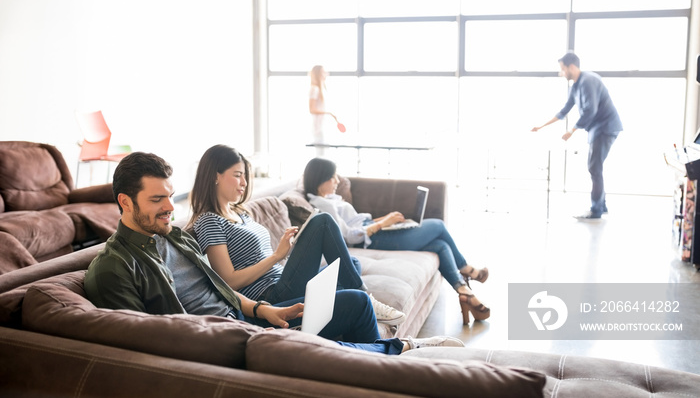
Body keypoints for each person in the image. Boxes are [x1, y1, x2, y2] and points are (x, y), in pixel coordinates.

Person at [84, 152, 460, 355]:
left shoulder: (176, 237)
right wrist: (249, 325)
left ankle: (377, 359)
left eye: (170, 195)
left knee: (358, 304)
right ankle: (398, 351)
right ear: (124, 202)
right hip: (226, 338)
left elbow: (224, 290)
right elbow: (140, 343)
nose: (169, 207)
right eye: (157, 199)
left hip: (251, 315)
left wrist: (264, 310)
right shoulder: (114, 268)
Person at [187, 144, 406, 326]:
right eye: (237, 176)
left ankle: (338, 294)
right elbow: (229, 282)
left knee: (352, 264)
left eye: (245, 176)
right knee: (322, 222)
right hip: (270, 295)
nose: (244, 183)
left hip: (281, 279)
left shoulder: (240, 212)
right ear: (216, 176)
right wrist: (276, 256)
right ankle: (365, 297)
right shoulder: (209, 221)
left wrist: (286, 256)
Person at [302, 157, 491, 325]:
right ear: (320, 178)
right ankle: (466, 269)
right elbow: (348, 236)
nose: (337, 181)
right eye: (333, 177)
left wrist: (384, 220)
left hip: (375, 230)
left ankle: (464, 290)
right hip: (372, 239)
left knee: (440, 245)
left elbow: (355, 221)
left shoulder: (330, 198)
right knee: (438, 226)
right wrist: (383, 223)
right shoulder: (323, 205)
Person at [531, 52, 623, 221]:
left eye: (563, 69)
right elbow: (565, 110)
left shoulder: (589, 81)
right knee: (595, 167)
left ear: (571, 67)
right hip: (597, 128)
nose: (561, 73)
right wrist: (542, 126)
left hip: (605, 127)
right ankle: (601, 205)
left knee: (594, 167)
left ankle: (596, 210)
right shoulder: (575, 86)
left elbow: (591, 110)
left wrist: (572, 130)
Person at [308, 65, 340, 156]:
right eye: (323, 72)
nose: (326, 74)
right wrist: (329, 113)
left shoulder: (322, 89)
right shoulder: (314, 89)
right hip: (318, 126)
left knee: (324, 151)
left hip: (322, 125)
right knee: (320, 153)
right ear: (318, 74)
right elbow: (312, 109)